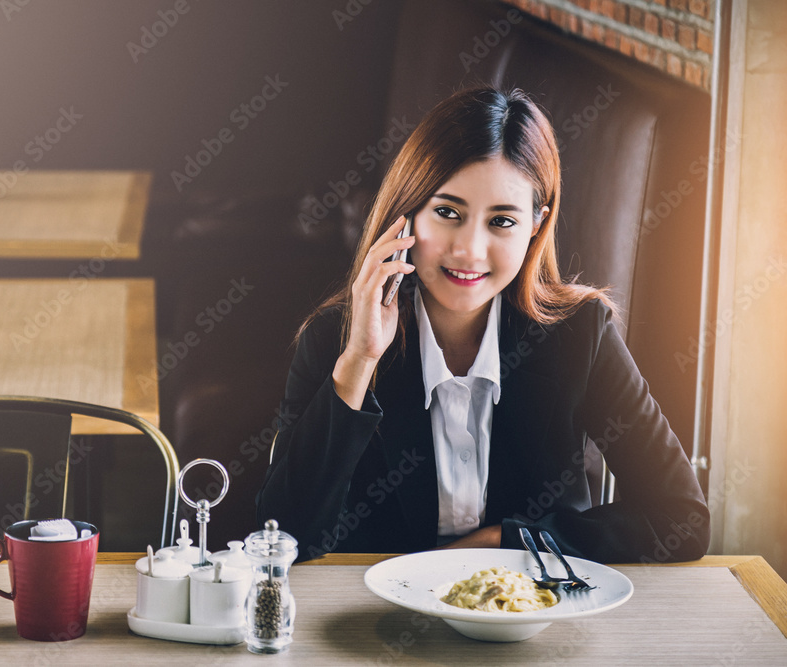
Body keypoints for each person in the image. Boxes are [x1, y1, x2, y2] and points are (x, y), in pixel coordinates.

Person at [256, 87, 709, 564]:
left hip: (532, 622)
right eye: (448, 213)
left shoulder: (581, 335)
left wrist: (502, 542)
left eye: (502, 221)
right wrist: (360, 361)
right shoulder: (337, 339)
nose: (470, 250)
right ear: (407, 213)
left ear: (537, 223)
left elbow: (682, 520)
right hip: (373, 625)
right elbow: (287, 537)